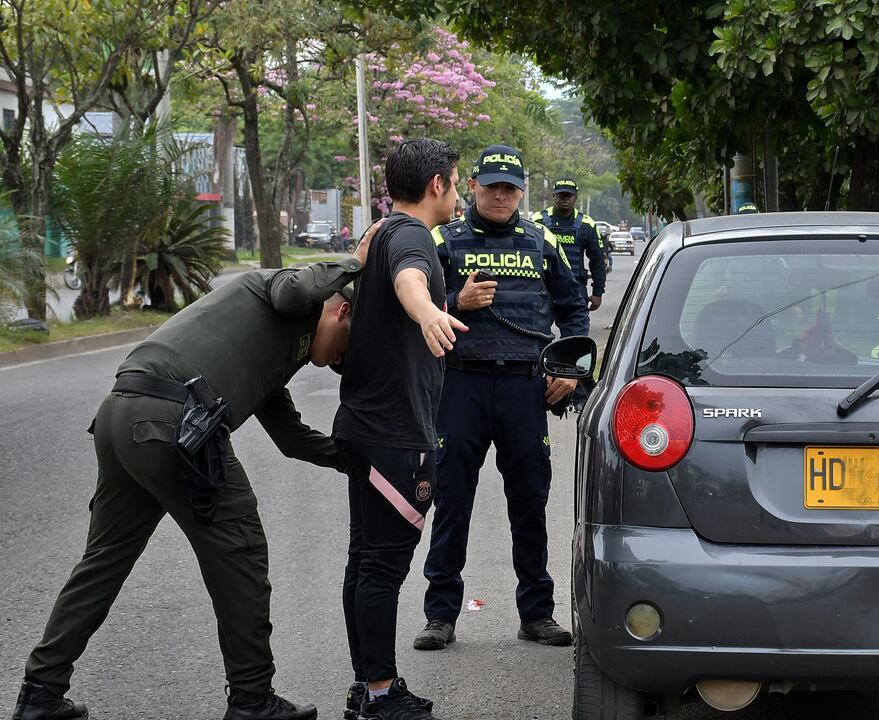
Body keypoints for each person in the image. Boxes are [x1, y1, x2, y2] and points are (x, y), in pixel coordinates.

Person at [11, 227, 379, 720]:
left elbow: (291, 438)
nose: (336, 362)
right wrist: (356, 262)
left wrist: (361, 461)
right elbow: (297, 287)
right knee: (241, 551)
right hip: (171, 421)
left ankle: (40, 693)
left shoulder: (276, 351)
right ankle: (252, 700)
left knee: (104, 559)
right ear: (342, 309)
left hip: (123, 414)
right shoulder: (282, 290)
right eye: (344, 351)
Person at [413, 145, 589, 652]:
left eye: (510, 189)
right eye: (491, 186)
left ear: (521, 193)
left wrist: (570, 372)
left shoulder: (541, 241)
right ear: (472, 186)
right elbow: (412, 305)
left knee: (530, 503)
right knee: (451, 502)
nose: (500, 196)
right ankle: (440, 615)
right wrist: (456, 302)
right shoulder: (442, 241)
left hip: (523, 388)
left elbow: (574, 309)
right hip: (460, 386)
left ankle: (537, 614)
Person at [331, 139, 464, 720]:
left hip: (364, 425)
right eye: (456, 181)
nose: (458, 193)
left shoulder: (380, 231)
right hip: (394, 434)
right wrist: (429, 310)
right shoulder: (412, 236)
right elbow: (411, 279)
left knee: (364, 561)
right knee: (381, 568)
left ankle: (368, 686)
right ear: (437, 184)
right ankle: (382, 695)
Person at [529, 178, 606, 312]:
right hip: (543, 288)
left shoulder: (587, 224)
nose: (565, 198)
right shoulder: (537, 220)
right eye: (561, 195)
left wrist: (598, 292)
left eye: (568, 195)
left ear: (576, 198)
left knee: (578, 325)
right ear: (554, 196)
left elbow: (597, 260)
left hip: (575, 288)